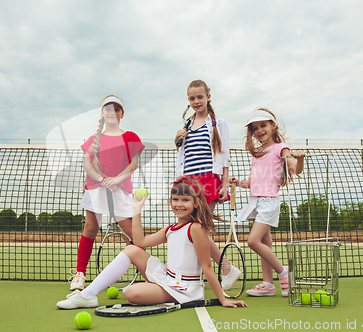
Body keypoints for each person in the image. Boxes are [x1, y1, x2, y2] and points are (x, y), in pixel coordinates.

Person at [56, 177, 247, 309]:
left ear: (196, 203)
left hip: (185, 289)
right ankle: (88, 296)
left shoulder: (195, 229)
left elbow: (207, 267)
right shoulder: (170, 229)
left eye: (185, 200)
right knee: (131, 249)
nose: (179, 204)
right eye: (175, 199)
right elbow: (140, 241)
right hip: (168, 277)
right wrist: (136, 209)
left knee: (131, 293)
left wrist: (222, 299)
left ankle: (89, 296)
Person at [69, 95, 144, 291]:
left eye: (116, 109)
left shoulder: (131, 137)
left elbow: (133, 164)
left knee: (133, 234)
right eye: (108, 109)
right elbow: (88, 165)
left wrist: (117, 180)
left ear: (122, 114)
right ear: (102, 113)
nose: (112, 112)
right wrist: (103, 180)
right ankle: (80, 274)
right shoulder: (93, 140)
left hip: (121, 189)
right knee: (91, 228)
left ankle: (148, 271)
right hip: (96, 189)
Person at [229, 108, 305, 297]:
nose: (259, 130)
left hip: (269, 202)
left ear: (273, 125)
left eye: (263, 125)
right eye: (255, 128)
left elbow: (296, 170)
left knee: (252, 241)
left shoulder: (281, 148)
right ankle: (268, 285)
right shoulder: (257, 153)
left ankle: (283, 272)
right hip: (255, 202)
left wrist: (300, 159)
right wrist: (238, 183)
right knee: (265, 243)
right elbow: (251, 183)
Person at [174, 79, 240, 290]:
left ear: (208, 97)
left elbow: (224, 154)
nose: (196, 101)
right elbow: (184, 156)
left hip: (208, 181)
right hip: (187, 183)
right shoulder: (186, 126)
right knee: (189, 229)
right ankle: (222, 270)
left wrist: (223, 184)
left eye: (200, 97)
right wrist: (177, 139)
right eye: (192, 98)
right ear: (188, 100)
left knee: (200, 230)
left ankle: (221, 270)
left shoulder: (218, 123)